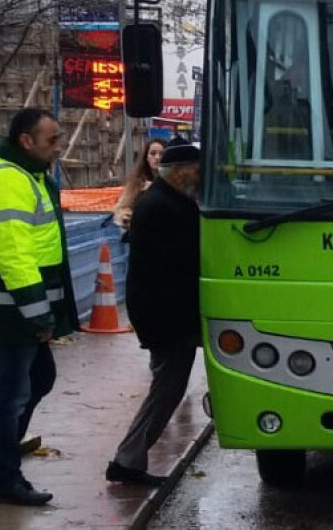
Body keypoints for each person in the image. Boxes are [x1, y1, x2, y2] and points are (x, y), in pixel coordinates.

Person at [0, 108, 79, 506]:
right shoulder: (5, 179)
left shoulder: (28, 176)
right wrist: (38, 313)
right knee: (12, 394)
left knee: (38, 378)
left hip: (19, 310)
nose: (58, 146)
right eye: (52, 139)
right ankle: (5, 479)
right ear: (27, 141)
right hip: (10, 312)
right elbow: (13, 253)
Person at [106, 139, 202, 486]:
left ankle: (128, 459)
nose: (200, 175)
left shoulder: (169, 201)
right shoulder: (163, 206)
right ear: (178, 173)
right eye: (195, 169)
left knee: (168, 389)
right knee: (166, 390)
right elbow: (183, 261)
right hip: (167, 317)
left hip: (166, 314)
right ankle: (127, 461)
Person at [113, 137, 167, 229]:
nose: (157, 157)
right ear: (146, 157)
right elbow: (122, 208)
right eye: (153, 153)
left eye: (161, 154)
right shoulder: (136, 183)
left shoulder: (174, 183)